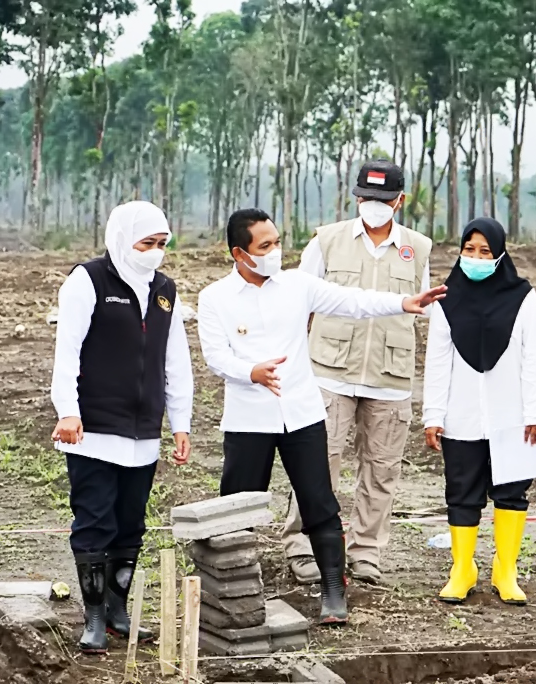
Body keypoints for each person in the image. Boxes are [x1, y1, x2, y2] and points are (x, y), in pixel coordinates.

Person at [196, 208, 445, 626]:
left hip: (302, 414)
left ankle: (333, 591)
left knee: (320, 503)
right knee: (237, 506)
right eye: (265, 246)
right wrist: (250, 372)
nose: (276, 251)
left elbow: (354, 301)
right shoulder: (214, 297)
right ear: (240, 253)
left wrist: (405, 302)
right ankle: (228, 588)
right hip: (249, 418)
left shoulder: (297, 285)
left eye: (277, 242)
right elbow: (215, 355)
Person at [50, 201, 194, 655]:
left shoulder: (165, 290)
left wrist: (180, 422)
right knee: (94, 522)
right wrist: (68, 411)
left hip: (143, 434)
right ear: (121, 238)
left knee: (131, 524)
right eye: (147, 243)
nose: (155, 252)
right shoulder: (88, 281)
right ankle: (92, 617)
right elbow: (67, 353)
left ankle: (117, 609)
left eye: (162, 244)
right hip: (93, 430)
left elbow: (176, 361)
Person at [282, 160, 433, 585]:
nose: (375, 206)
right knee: (317, 465)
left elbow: (421, 308)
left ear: (400, 202)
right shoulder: (326, 242)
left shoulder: (418, 248)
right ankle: (302, 546)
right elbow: (299, 305)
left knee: (382, 469)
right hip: (328, 373)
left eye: (384, 200)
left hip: (390, 375)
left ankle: (367, 552)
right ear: (356, 197)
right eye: (368, 198)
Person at [422, 218, 536, 605]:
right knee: (461, 493)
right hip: (461, 416)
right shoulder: (447, 298)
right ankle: (462, 569)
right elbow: (437, 359)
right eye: (469, 249)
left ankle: (505, 569)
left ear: (499, 255)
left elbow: (534, 358)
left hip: (511, 416)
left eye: (485, 251)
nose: (476, 257)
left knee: (512, 493)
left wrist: (535, 412)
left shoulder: (523, 297)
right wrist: (434, 414)